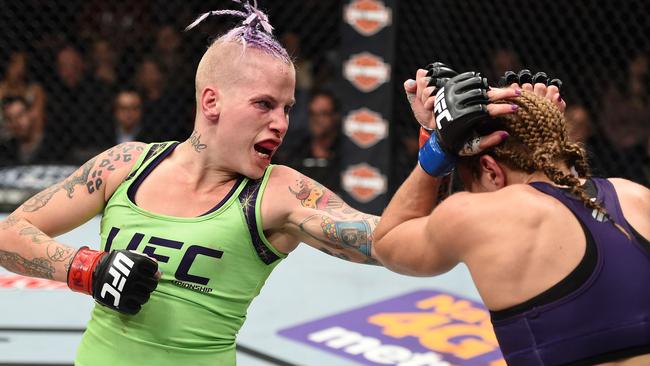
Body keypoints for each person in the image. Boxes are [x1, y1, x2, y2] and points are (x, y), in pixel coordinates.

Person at [1, 2, 386, 365]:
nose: (282, 124)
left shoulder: (279, 192)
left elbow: (393, 244)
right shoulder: (127, 164)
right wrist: (90, 268)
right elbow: (8, 235)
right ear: (211, 102)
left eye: (287, 108)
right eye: (264, 104)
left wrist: (433, 155)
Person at [373, 67, 650, 365]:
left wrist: (438, 148)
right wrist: (547, 130)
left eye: (466, 181)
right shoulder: (636, 197)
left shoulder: (477, 216)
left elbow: (386, 242)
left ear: (491, 171)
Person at [274, 90, 342, 194]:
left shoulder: (346, 155)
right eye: (312, 113)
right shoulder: (293, 155)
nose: (316, 119)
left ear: (335, 116)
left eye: (323, 113)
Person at [0, 96, 50, 165]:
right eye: (9, 119)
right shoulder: (6, 149)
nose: (16, 123)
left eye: (20, 115)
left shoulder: (51, 142)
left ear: (30, 114)